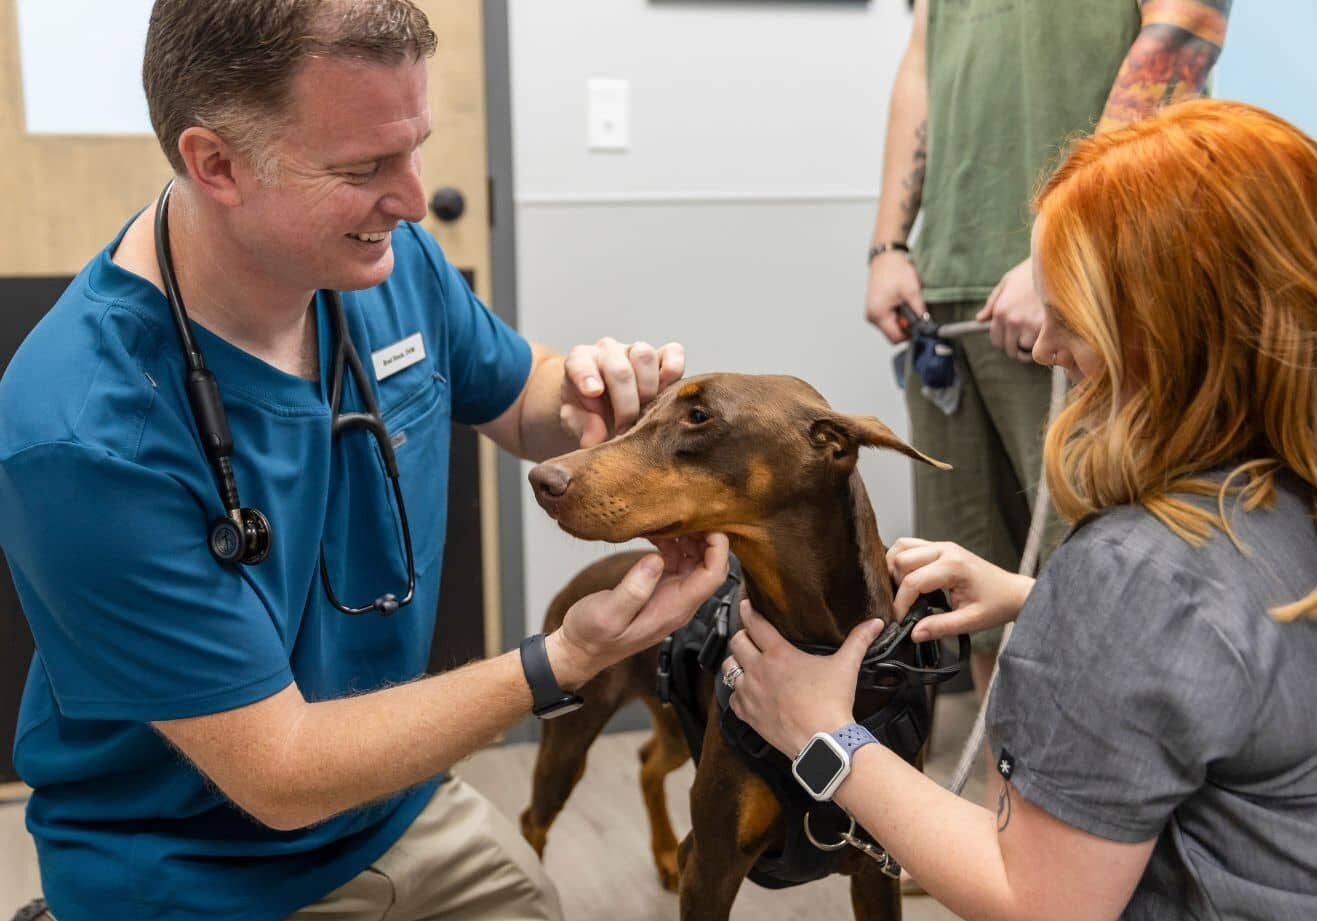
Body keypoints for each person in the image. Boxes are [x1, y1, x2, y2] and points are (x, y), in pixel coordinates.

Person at [0, 2, 729, 920]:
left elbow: (521, 398)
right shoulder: (84, 429)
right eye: (364, 168)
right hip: (192, 866)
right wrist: (567, 658)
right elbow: (282, 774)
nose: (416, 198)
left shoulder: (392, 265)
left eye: (416, 145)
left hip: (396, 802)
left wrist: (590, 393)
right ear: (215, 163)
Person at [726, 100, 1317, 919]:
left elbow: (1039, 902)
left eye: (1068, 309)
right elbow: (1245, 655)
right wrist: (1041, 602)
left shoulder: (1134, 574)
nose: (1043, 348)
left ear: (1163, 325)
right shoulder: (1281, 495)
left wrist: (818, 730)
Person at [864, 0, 1234, 801]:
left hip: (1089, 299)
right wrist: (890, 244)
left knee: (1095, 590)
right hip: (950, 296)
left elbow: (1181, 33)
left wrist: (1063, 248)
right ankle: (1013, 812)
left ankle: (1095, 840)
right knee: (976, 591)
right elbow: (922, 63)